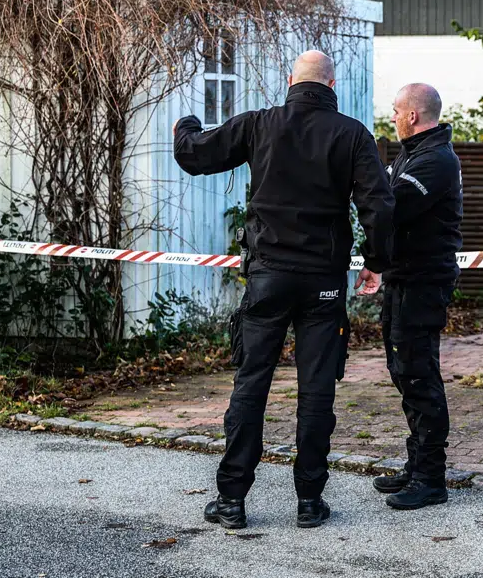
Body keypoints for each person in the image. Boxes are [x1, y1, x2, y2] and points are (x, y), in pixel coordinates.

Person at [172, 49, 393, 530]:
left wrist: (186, 124)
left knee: (251, 384)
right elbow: (379, 204)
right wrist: (376, 262)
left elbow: (195, 154)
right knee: (316, 391)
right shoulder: (353, 134)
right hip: (323, 284)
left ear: (290, 81)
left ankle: (231, 500)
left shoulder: (259, 124)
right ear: (331, 86)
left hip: (268, 277)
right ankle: (310, 501)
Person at [370, 83, 463, 511]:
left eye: (395, 111)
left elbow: (393, 205)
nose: (392, 117)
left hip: (423, 283)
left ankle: (430, 478)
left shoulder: (436, 159)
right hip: (402, 279)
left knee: (420, 374)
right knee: (403, 371)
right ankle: (416, 465)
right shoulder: (412, 154)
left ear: (412, 115)